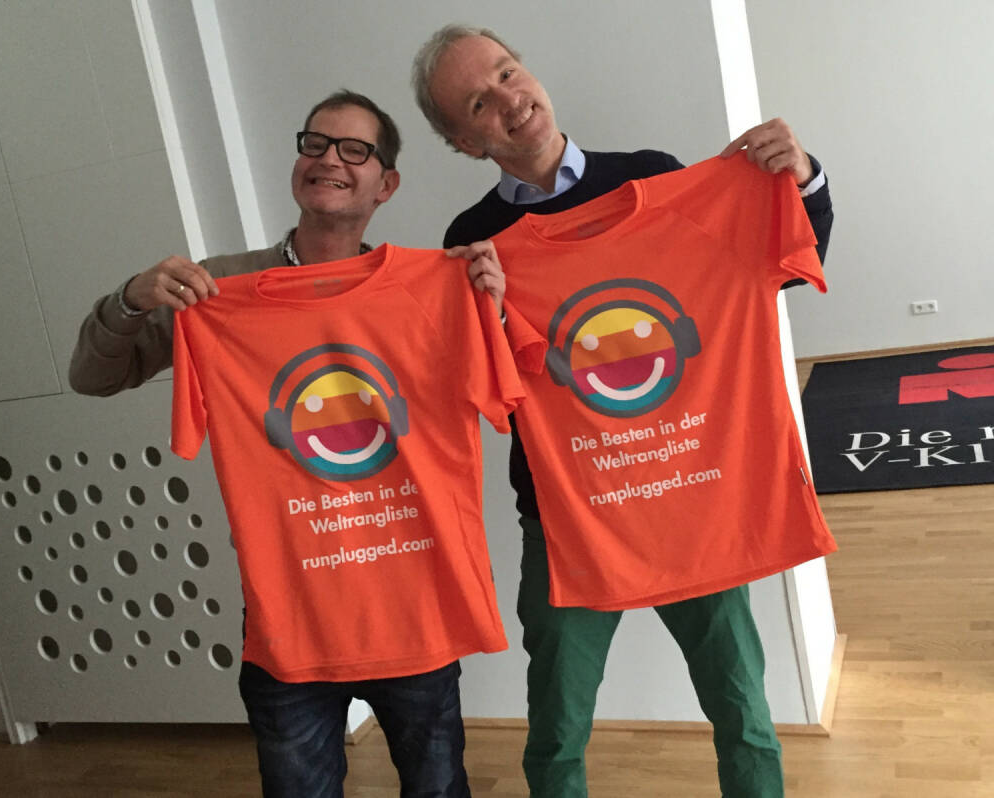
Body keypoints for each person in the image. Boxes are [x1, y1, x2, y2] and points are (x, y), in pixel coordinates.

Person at [412, 25, 834, 798]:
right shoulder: (471, 242)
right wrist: (486, 323)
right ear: (464, 142)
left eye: (507, 72)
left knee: (743, 710)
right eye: (478, 102)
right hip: (565, 518)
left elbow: (777, 273)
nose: (509, 99)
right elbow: (476, 393)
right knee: (557, 733)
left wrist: (801, 182)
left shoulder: (657, 179)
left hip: (688, 491)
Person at [70, 91, 476, 798]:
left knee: (437, 788)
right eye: (315, 142)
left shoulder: (428, 290)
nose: (329, 159)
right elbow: (92, 377)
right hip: (289, 613)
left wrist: (485, 302)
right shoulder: (219, 289)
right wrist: (130, 299)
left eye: (354, 150)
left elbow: (493, 389)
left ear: (386, 184)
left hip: (412, 605)